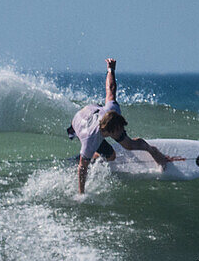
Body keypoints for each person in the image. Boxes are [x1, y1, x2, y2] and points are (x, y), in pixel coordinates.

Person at [69, 58, 169, 194]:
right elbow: (82, 168)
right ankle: (88, 157)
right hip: (79, 123)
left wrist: (111, 69)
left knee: (128, 144)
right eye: (118, 131)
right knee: (110, 156)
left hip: (95, 111)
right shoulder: (90, 139)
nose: (122, 132)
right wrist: (81, 193)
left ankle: (152, 150)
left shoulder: (112, 110)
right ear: (109, 132)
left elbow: (110, 89)